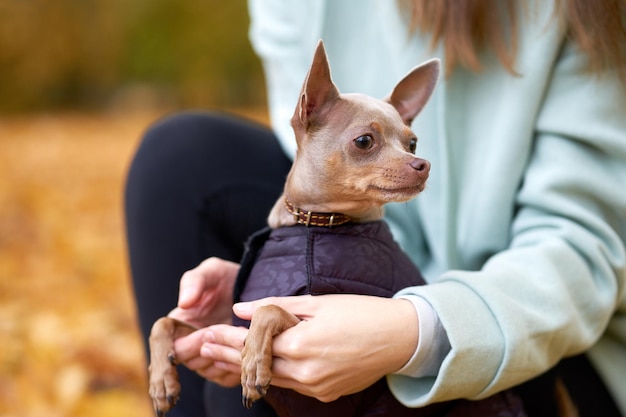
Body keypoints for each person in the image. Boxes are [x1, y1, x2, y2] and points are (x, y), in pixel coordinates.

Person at [125, 1, 626, 416]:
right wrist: (277, 280)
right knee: (179, 159)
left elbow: (582, 254)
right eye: (370, 141)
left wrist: (413, 331)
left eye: (409, 143)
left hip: (523, 336)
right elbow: (316, 167)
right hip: (365, 245)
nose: (414, 161)